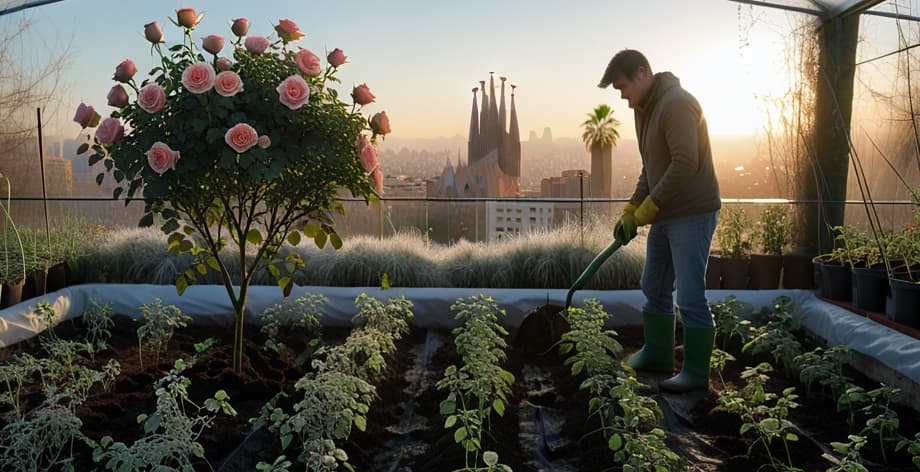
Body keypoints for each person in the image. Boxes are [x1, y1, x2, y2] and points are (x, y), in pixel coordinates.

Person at [598, 49, 721, 392]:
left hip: (692, 213)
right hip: (665, 212)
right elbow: (651, 167)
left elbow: (684, 163)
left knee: (692, 296)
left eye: (624, 88)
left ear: (642, 73)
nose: (623, 98)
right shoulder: (645, 111)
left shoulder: (677, 104)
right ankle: (658, 353)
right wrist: (632, 207)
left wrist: (649, 207)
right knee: (653, 285)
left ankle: (696, 373)